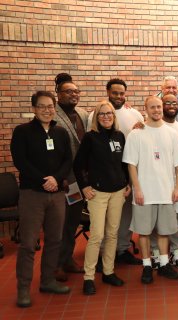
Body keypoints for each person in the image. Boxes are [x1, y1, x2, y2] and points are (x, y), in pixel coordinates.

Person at [11, 91, 72, 307]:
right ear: (34, 109)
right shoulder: (22, 132)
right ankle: (23, 290)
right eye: (42, 106)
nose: (47, 110)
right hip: (32, 194)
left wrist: (57, 178)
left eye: (50, 106)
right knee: (28, 243)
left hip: (56, 195)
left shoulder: (61, 132)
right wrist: (43, 180)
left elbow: (67, 160)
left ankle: (48, 281)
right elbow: (21, 161)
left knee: (55, 240)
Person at [122, 96, 178, 284]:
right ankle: (147, 265)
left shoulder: (172, 133)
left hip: (166, 192)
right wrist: (137, 189)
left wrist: (177, 188)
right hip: (145, 193)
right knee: (144, 232)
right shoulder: (136, 134)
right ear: (146, 109)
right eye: (153, 107)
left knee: (165, 231)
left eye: (159, 107)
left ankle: (165, 264)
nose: (157, 110)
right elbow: (131, 165)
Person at [74, 101, 131, 295]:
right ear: (96, 118)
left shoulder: (120, 136)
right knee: (97, 235)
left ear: (114, 117)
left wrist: (128, 183)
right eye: (102, 114)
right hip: (97, 193)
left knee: (112, 234)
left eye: (109, 114)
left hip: (118, 192)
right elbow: (78, 165)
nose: (106, 117)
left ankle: (108, 271)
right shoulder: (90, 138)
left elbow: (125, 164)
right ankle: (89, 277)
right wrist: (84, 187)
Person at [87, 78, 144, 267]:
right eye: (115, 93)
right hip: (103, 179)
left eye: (122, 93)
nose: (119, 96)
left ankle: (122, 248)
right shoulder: (95, 115)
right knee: (103, 223)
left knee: (126, 215)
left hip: (126, 175)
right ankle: (104, 254)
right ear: (108, 92)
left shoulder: (134, 114)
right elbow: (91, 146)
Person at [53, 73, 89, 281]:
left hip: (79, 181)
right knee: (60, 223)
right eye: (68, 91)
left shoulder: (83, 114)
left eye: (76, 91)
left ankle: (67, 259)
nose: (73, 95)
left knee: (71, 221)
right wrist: (60, 177)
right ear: (58, 95)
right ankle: (55, 264)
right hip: (64, 180)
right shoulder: (52, 114)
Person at [153, 93, 178, 270]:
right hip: (157, 183)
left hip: (177, 182)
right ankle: (156, 253)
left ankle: (176, 252)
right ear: (161, 105)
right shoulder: (148, 128)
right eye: (167, 102)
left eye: (174, 103)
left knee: (177, 218)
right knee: (156, 218)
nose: (171, 105)